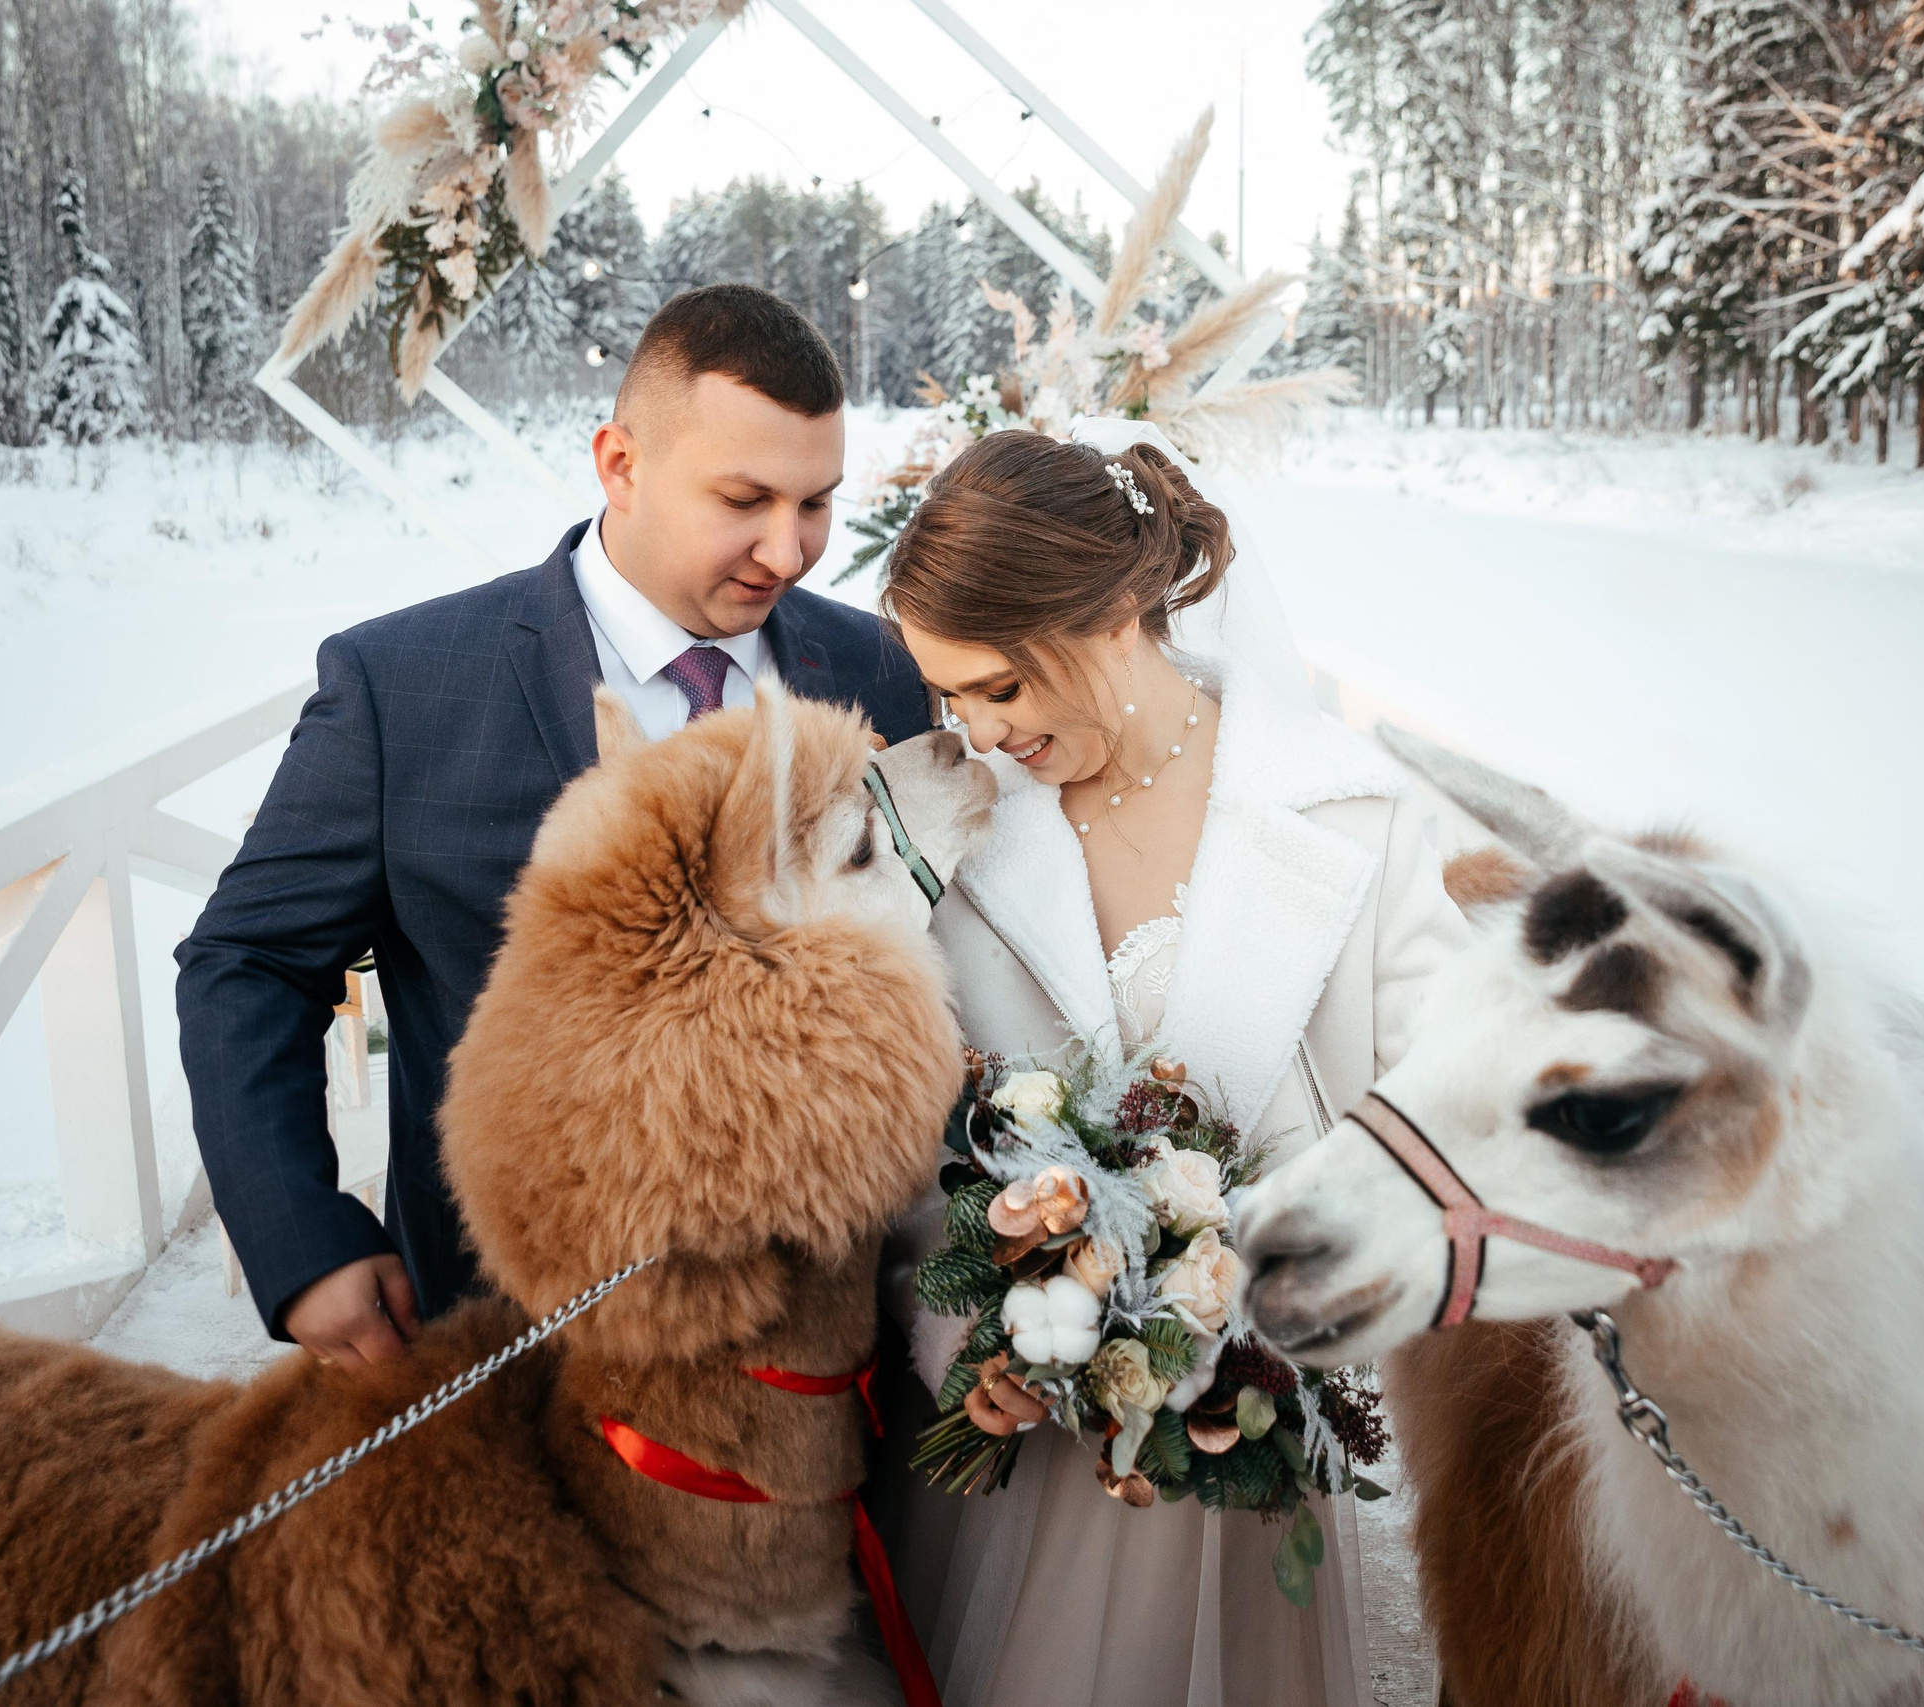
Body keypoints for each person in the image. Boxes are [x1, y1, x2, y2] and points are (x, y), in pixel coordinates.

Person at [176, 284, 932, 1365]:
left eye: (816, 503)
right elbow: (246, 963)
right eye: (745, 499)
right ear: (620, 464)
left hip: (825, 1346)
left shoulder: (880, 674)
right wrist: (304, 1241)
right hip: (510, 1336)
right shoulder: (402, 687)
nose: (788, 548)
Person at [875, 424, 1472, 1707]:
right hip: (1018, 1444)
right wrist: (977, 1332)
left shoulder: (1346, 815)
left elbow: (1450, 1114)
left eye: (1000, 690)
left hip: (1247, 1438)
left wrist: (1264, 1297)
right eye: (950, 699)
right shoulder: (943, 833)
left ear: (1101, 617)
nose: (977, 736)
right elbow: (909, 1134)